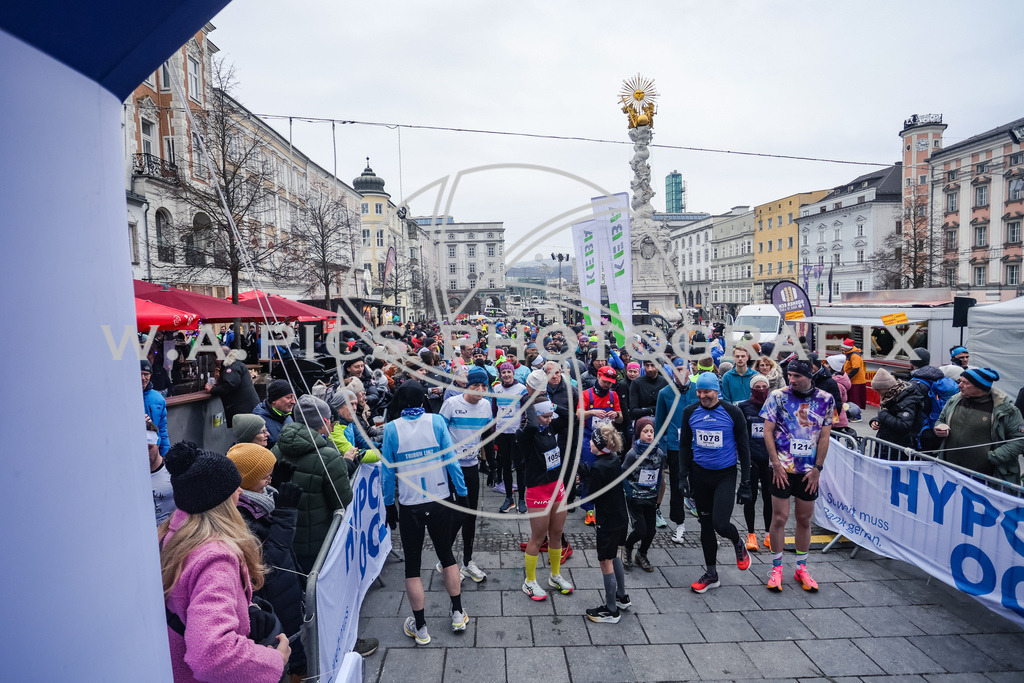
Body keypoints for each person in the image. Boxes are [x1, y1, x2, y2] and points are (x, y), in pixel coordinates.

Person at [159, 442, 289, 683]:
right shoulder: (215, 558)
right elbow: (211, 655)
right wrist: (274, 660)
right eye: (235, 487)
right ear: (220, 498)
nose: (240, 492)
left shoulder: (174, 535)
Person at [380, 380, 470, 646]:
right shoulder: (436, 421)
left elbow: (387, 472)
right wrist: (462, 493)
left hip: (410, 504)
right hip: (439, 498)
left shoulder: (391, 428)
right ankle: (457, 613)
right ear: (422, 400)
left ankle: (420, 627)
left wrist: (388, 504)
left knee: (412, 566)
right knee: (447, 555)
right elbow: (451, 459)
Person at [226, 442, 311, 675]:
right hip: (273, 597)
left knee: (297, 644)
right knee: (291, 653)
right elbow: (268, 561)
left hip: (286, 589)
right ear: (245, 482)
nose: (269, 481)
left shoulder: (260, 499)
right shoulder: (242, 516)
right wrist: (285, 513)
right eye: (265, 476)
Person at [761, 358, 834, 593]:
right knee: (779, 518)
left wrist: (818, 469)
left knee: (804, 519)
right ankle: (777, 568)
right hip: (781, 468)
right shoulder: (777, 396)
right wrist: (775, 464)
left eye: (797, 376)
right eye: (789, 375)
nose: (791, 380)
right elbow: (767, 432)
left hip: (808, 471)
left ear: (809, 377)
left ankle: (801, 567)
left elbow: (824, 437)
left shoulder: (825, 399)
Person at [680, 372, 752, 593]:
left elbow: (744, 447)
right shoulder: (690, 412)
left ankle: (738, 542)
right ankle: (711, 574)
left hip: (725, 475)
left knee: (720, 524)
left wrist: (746, 482)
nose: (702, 395)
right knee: (705, 525)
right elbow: (684, 446)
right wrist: (682, 476)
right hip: (700, 475)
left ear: (717, 391)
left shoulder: (732, 412)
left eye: (707, 391)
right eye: (699, 391)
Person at [272, 395, 354, 573]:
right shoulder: (328, 456)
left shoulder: (277, 448)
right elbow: (342, 500)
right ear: (325, 420)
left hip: (284, 536)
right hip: (318, 542)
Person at [438, 366, 492, 582]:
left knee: (470, 516)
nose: (479, 390)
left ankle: (467, 562)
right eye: (475, 385)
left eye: (483, 386)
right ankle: (445, 561)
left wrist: (491, 463)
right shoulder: (452, 404)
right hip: (452, 467)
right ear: (467, 386)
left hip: (471, 466)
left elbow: (486, 435)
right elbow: (439, 434)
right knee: (456, 515)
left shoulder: (486, 405)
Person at [520, 400, 575, 600]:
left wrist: (552, 405)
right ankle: (530, 581)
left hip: (556, 487)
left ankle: (555, 575)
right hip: (538, 491)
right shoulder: (526, 433)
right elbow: (533, 425)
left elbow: (570, 417)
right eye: (545, 416)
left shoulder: (551, 426)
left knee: (557, 533)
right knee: (537, 537)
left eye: (551, 416)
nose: (549, 419)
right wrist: (531, 405)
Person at [934, 368, 1024, 485]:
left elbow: (1019, 440)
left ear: (980, 387)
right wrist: (940, 426)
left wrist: (994, 457)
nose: (959, 385)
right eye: (960, 381)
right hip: (950, 472)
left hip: (985, 480)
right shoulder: (954, 400)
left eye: (965, 383)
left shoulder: (1005, 409)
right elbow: (941, 420)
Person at [584, 424, 630, 624]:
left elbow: (591, 496)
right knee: (615, 554)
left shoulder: (599, 466)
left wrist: (583, 478)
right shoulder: (613, 459)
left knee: (605, 561)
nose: (590, 443)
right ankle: (622, 596)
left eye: (593, 441)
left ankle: (611, 610)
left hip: (608, 521)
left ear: (601, 446)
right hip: (621, 517)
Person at [654, 358, 698, 543]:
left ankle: (707, 525)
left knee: (700, 485)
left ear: (689, 370)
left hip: (698, 446)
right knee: (677, 485)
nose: (679, 373)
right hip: (674, 446)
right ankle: (679, 525)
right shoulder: (665, 393)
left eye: (682, 369)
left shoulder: (698, 389)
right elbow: (659, 422)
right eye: (675, 370)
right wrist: (660, 448)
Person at [578, 365, 624, 526]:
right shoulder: (586, 394)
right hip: (588, 439)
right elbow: (578, 414)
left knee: (608, 473)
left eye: (610, 382)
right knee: (589, 474)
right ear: (598, 377)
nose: (607, 385)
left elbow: (620, 419)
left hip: (608, 439)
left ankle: (605, 504)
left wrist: (616, 414)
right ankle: (589, 509)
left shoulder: (614, 396)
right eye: (605, 381)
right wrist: (592, 412)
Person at [621, 418, 663, 572]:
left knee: (651, 530)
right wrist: (629, 492)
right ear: (639, 434)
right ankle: (627, 546)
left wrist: (657, 492)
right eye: (646, 431)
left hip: (650, 497)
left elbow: (659, 475)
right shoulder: (632, 454)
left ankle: (641, 554)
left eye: (652, 431)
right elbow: (623, 473)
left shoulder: (659, 453)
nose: (649, 435)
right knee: (641, 530)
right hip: (636, 497)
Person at [738, 374, 772, 552]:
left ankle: (768, 534)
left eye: (763, 387)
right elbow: (740, 433)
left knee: (769, 497)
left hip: (769, 459)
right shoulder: (744, 407)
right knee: (750, 497)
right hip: (751, 458)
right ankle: (750, 534)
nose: (761, 390)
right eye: (757, 387)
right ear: (751, 389)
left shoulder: (774, 406)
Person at [492, 361, 528, 513]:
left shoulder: (521, 389)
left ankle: (521, 499)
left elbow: (526, 411)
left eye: (509, 372)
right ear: (500, 374)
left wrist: (523, 429)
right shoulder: (496, 388)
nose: (506, 375)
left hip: (516, 433)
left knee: (520, 467)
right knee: (505, 466)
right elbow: (494, 410)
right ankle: (508, 498)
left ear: (513, 374)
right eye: (503, 372)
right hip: (502, 433)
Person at [908, 348, 958, 452]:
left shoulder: (916, 383)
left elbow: (913, 409)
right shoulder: (937, 376)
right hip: (938, 426)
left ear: (912, 362)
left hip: (923, 429)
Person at [869, 369, 924, 460]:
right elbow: (889, 413)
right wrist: (876, 420)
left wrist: (882, 415)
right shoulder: (891, 396)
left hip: (898, 447)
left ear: (886, 387)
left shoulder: (907, 400)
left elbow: (904, 425)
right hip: (886, 445)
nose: (878, 394)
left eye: (879, 390)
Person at [206, 347, 260, 427]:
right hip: (247, 409)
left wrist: (213, 389)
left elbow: (230, 385)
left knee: (246, 435)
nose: (216, 360)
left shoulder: (232, 367)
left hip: (244, 411)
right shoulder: (235, 364)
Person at [253, 380, 296, 449]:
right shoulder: (260, 420)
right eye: (288, 397)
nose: (293, 401)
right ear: (274, 400)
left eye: (293, 397)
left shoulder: (287, 416)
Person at [148, 423, 175, 525]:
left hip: (171, 535)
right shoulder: (133, 478)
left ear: (157, 444)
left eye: (149, 447)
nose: (146, 453)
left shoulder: (172, 472)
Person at [142, 359, 170, 456]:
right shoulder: (127, 397)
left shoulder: (158, 399)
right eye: (139, 373)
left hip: (155, 452)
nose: (143, 378)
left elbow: (162, 431)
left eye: (146, 374)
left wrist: (166, 456)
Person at [841, 338, 867, 409]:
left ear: (847, 348)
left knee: (855, 400)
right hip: (852, 380)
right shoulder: (849, 354)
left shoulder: (854, 355)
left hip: (856, 381)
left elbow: (856, 369)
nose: (842, 348)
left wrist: (847, 378)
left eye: (843, 347)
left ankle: (856, 415)